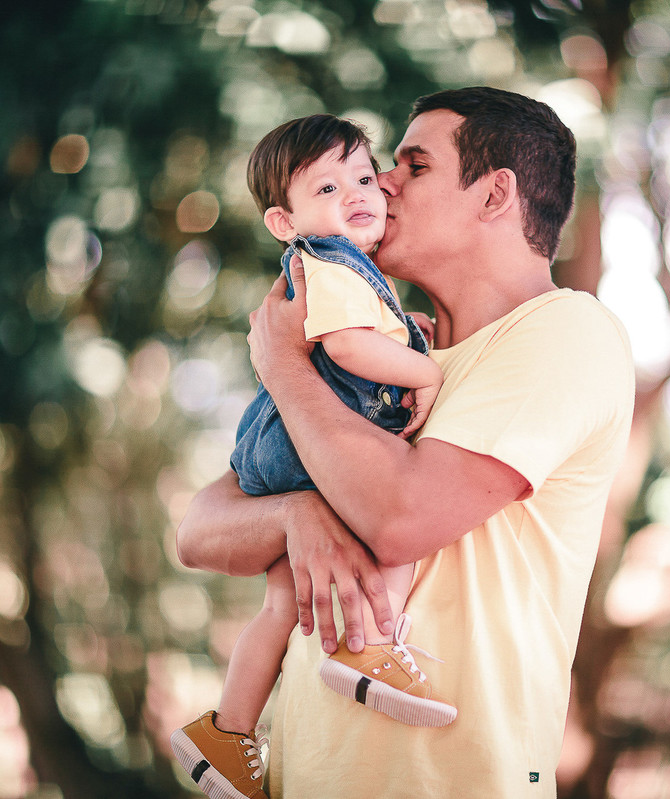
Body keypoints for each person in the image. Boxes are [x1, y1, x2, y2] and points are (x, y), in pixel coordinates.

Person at [176, 86, 635, 797]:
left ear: (495, 195)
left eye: (414, 166)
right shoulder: (380, 360)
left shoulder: (564, 332)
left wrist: (284, 365)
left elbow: (400, 520)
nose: (382, 183)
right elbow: (200, 531)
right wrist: (297, 514)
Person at [170, 114, 455, 799]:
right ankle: (370, 646)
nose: (358, 192)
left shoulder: (340, 269)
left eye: (363, 177)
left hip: (276, 447)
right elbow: (348, 347)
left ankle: (228, 731)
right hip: (302, 447)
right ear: (283, 221)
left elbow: (363, 333)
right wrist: (426, 369)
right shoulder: (328, 260)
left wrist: (405, 334)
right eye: (327, 187)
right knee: (394, 524)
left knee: (282, 601)